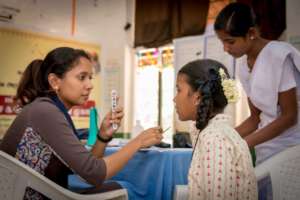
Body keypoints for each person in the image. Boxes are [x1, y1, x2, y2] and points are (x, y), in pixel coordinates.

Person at [0, 47, 163, 199]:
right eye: (82, 77)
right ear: (55, 81)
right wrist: (138, 142)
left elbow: (86, 171)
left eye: (90, 78)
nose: (90, 85)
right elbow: (95, 173)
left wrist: (102, 137)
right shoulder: (45, 112)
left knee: (124, 186)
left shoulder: (50, 110)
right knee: (129, 189)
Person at [214, 2, 300, 165]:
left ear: (251, 33)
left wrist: (243, 143)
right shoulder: (243, 66)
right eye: (222, 42)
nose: (225, 48)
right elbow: (255, 118)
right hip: (266, 147)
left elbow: (290, 117)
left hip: (292, 147)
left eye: (230, 42)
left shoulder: (277, 55)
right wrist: (224, 138)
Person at [173, 59, 257, 200]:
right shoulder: (211, 132)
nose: (174, 99)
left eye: (179, 90)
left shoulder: (214, 140)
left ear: (197, 97)